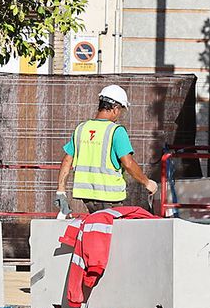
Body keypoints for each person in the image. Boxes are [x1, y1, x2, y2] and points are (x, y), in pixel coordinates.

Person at [55, 84, 158, 216]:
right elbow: (128, 163)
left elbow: (67, 160)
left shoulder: (81, 128)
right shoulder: (116, 131)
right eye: (120, 110)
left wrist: (61, 191)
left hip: (87, 197)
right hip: (110, 197)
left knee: (97, 229)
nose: (119, 114)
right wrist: (147, 182)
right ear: (115, 108)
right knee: (113, 233)